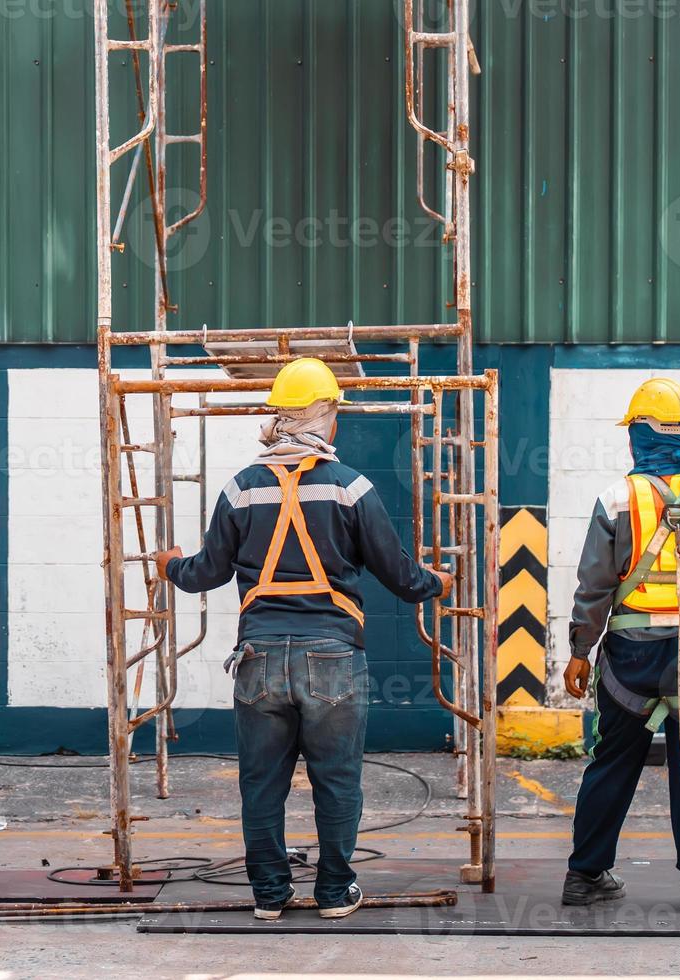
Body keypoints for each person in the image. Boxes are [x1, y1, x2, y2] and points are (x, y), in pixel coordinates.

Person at [156, 357, 452, 921]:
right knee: (337, 782)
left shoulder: (241, 489)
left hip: (259, 659)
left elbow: (202, 574)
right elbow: (404, 578)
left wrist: (170, 563)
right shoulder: (351, 488)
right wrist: (440, 581)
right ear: (325, 416)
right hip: (333, 659)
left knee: (261, 785)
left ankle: (270, 895)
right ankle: (335, 893)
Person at [561, 377, 680, 914]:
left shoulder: (616, 499)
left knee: (612, 760)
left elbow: (594, 585)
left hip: (630, 654)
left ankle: (584, 876)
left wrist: (581, 650)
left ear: (640, 436)